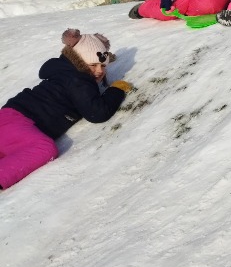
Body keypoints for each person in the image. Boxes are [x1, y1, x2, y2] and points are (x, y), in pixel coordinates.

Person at [0, 29, 132, 190]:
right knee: (44, 148)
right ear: (80, 62)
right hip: (19, 121)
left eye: (103, 65)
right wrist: (116, 90)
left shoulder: (66, 73)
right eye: (93, 65)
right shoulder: (77, 80)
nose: (99, 70)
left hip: (9, 118)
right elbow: (97, 113)